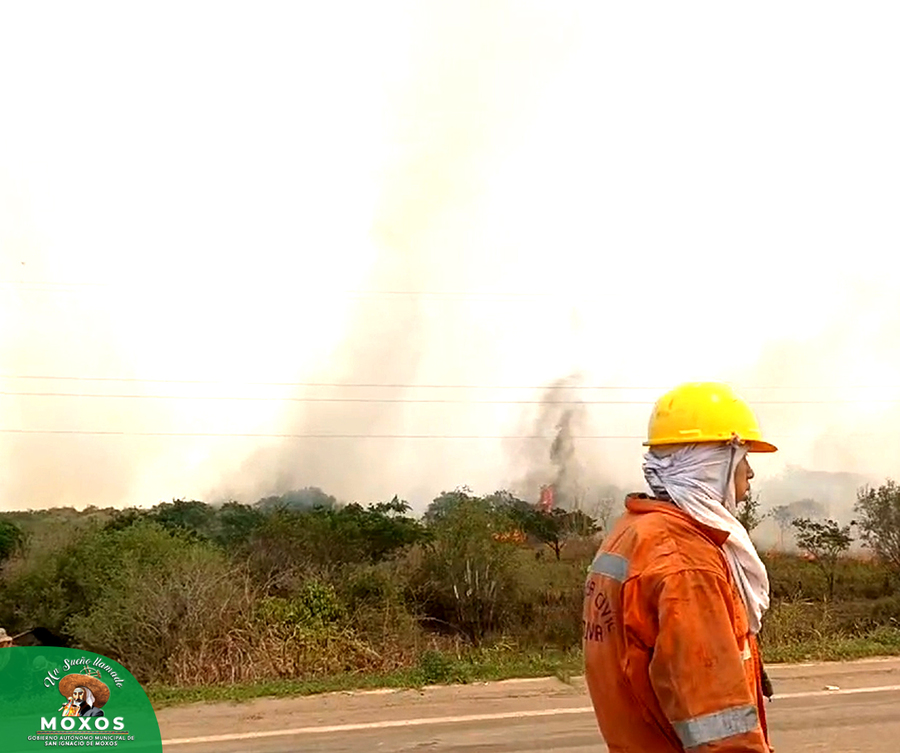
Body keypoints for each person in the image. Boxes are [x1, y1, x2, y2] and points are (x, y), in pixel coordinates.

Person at [583, 382, 776, 752]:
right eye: (742, 458)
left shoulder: (633, 531)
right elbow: (719, 729)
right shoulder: (687, 566)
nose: (749, 472)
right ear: (712, 467)